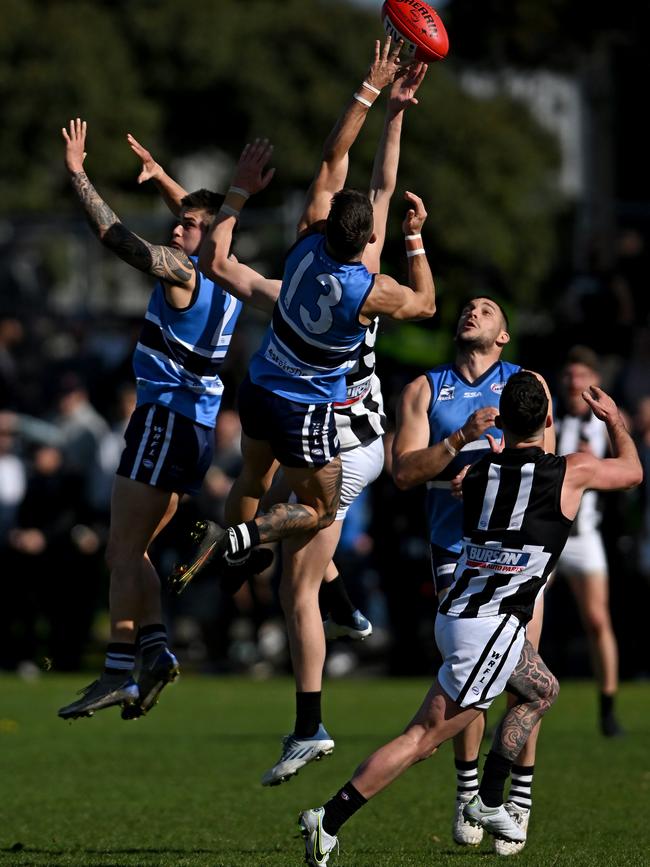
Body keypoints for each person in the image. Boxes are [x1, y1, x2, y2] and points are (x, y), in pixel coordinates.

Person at [170, 38, 435, 775]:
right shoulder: (366, 286)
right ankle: (322, 649)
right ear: (368, 242)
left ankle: (308, 666)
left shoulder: (298, 263)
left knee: (287, 557)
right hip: (333, 422)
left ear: (319, 229)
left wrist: (374, 96)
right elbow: (392, 217)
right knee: (299, 544)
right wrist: (413, 231)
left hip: (301, 409)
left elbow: (336, 169)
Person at [297, 373, 642, 866]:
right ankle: (328, 819)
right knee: (421, 740)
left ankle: (490, 798)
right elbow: (631, 470)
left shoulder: (478, 473)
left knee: (541, 689)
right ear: (548, 420)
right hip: (489, 626)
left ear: (502, 420)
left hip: (459, 611)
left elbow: (467, 481)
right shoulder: (572, 470)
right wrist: (613, 419)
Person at [56, 119, 278, 720]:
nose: (175, 225)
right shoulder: (229, 275)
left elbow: (114, 236)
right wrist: (162, 178)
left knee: (123, 550)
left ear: (203, 238)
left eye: (186, 225)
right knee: (133, 552)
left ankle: (119, 671)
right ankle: (154, 652)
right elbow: (203, 218)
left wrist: (79, 176)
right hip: (194, 430)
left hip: (164, 421)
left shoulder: (184, 271)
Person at [392, 296, 554, 854]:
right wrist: (458, 441)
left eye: (486, 310)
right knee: (467, 681)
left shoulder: (526, 384)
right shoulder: (425, 389)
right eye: (467, 308)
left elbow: (546, 463)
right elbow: (404, 472)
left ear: (503, 336)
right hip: (454, 550)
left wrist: (487, 471)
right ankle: (468, 797)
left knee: (523, 676)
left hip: (516, 554)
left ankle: (518, 804)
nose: (473, 312)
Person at [552, 345, 624, 736]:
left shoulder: (606, 423)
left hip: (584, 534)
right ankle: (510, 703)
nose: (574, 383)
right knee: (523, 617)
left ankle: (608, 708)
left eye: (581, 376)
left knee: (598, 619)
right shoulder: (548, 419)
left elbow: (629, 467)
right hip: (547, 533)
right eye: (569, 376)